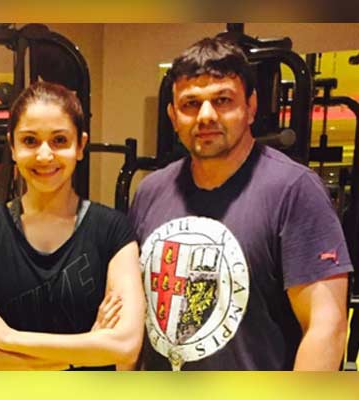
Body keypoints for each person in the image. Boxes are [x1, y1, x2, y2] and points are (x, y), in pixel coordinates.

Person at [128, 37, 352, 371]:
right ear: (173, 116)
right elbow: (136, 310)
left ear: (251, 106)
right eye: (190, 104)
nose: (206, 116)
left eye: (222, 100)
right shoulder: (150, 190)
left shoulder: (294, 190)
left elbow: (326, 328)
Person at [0, 81, 145, 370]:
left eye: (59, 140)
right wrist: (83, 352)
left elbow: (125, 346)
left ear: (80, 146)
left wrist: (8, 338)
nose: (44, 155)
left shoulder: (113, 230)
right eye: (30, 141)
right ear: (13, 147)